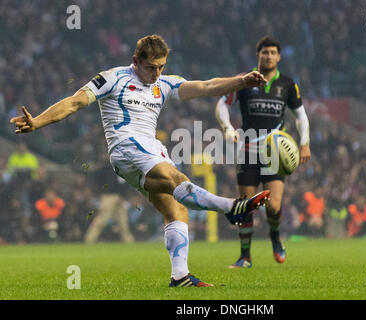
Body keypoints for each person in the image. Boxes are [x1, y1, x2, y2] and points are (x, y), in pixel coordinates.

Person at [10, 34, 271, 288]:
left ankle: (180, 276)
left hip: (152, 149)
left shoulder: (165, 83)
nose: (156, 73)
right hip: (126, 148)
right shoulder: (112, 78)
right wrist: (37, 122)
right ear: (135, 60)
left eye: (161, 67)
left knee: (176, 211)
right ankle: (233, 207)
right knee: (177, 180)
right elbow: (74, 102)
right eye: (151, 67)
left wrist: (241, 81)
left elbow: (206, 86)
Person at [215, 36, 311, 268]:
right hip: (247, 150)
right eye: (264, 52)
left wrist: (305, 142)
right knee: (246, 205)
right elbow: (221, 104)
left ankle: (275, 238)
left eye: (272, 52)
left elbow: (300, 116)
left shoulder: (287, 84)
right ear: (257, 55)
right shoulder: (245, 81)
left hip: (274, 154)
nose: (268, 56)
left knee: (274, 206)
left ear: (278, 57)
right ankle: (245, 256)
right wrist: (228, 128)